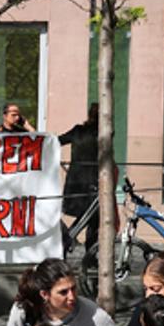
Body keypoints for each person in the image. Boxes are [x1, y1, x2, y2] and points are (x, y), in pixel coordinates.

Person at [59, 104, 104, 250]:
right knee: (92, 218)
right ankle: (71, 241)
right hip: (92, 182)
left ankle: (69, 240)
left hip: (75, 181)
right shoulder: (102, 134)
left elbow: (56, 141)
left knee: (88, 216)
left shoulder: (78, 131)